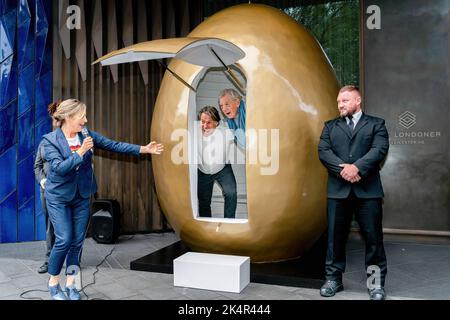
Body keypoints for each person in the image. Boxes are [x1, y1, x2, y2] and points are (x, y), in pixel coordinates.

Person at [42, 99, 164, 300]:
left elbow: (113, 145)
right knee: (64, 238)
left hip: (82, 194)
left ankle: (71, 284)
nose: (86, 120)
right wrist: (80, 152)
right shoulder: (50, 140)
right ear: (69, 117)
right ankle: (53, 282)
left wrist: (144, 149)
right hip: (59, 197)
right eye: (82, 116)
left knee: (77, 242)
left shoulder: (86, 134)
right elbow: (59, 169)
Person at [318, 85, 389, 300]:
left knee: (373, 239)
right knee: (334, 239)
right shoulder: (330, 126)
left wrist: (356, 167)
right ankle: (333, 280)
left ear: (358, 101)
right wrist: (345, 170)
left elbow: (379, 149)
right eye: (339, 101)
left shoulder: (377, 124)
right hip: (338, 192)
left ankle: (375, 284)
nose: (340, 104)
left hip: (368, 192)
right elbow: (323, 151)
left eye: (345, 100)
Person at [197, 106, 237, 219]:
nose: (205, 126)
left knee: (231, 193)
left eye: (209, 122)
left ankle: (229, 223)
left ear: (217, 123)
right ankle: (207, 227)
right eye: (203, 122)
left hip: (223, 169)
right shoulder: (194, 132)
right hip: (203, 171)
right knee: (204, 200)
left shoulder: (226, 132)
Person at [34, 118, 56, 274]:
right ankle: (49, 260)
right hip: (46, 191)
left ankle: (71, 261)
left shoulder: (69, 140)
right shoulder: (45, 140)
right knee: (50, 226)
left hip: (63, 190)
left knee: (67, 225)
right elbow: (37, 165)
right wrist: (42, 180)